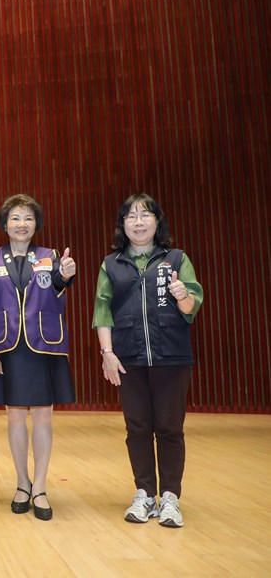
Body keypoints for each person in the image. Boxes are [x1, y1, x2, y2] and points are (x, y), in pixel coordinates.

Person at [93, 193, 203, 528]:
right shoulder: (111, 264)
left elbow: (191, 306)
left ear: (157, 221)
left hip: (171, 357)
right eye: (131, 216)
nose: (138, 222)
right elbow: (102, 311)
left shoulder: (176, 258)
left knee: (170, 428)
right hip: (129, 358)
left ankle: (170, 497)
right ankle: (144, 494)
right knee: (137, 428)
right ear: (122, 224)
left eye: (145, 215)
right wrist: (107, 354)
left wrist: (183, 295)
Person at [0, 194, 76, 522]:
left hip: (43, 346)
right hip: (7, 348)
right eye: (15, 218)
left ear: (36, 224)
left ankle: (40, 487)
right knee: (15, 418)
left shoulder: (50, 257)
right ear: (4, 224)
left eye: (28, 218)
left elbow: (58, 284)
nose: (22, 224)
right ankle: (22, 483)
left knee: (44, 416)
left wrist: (66, 275)